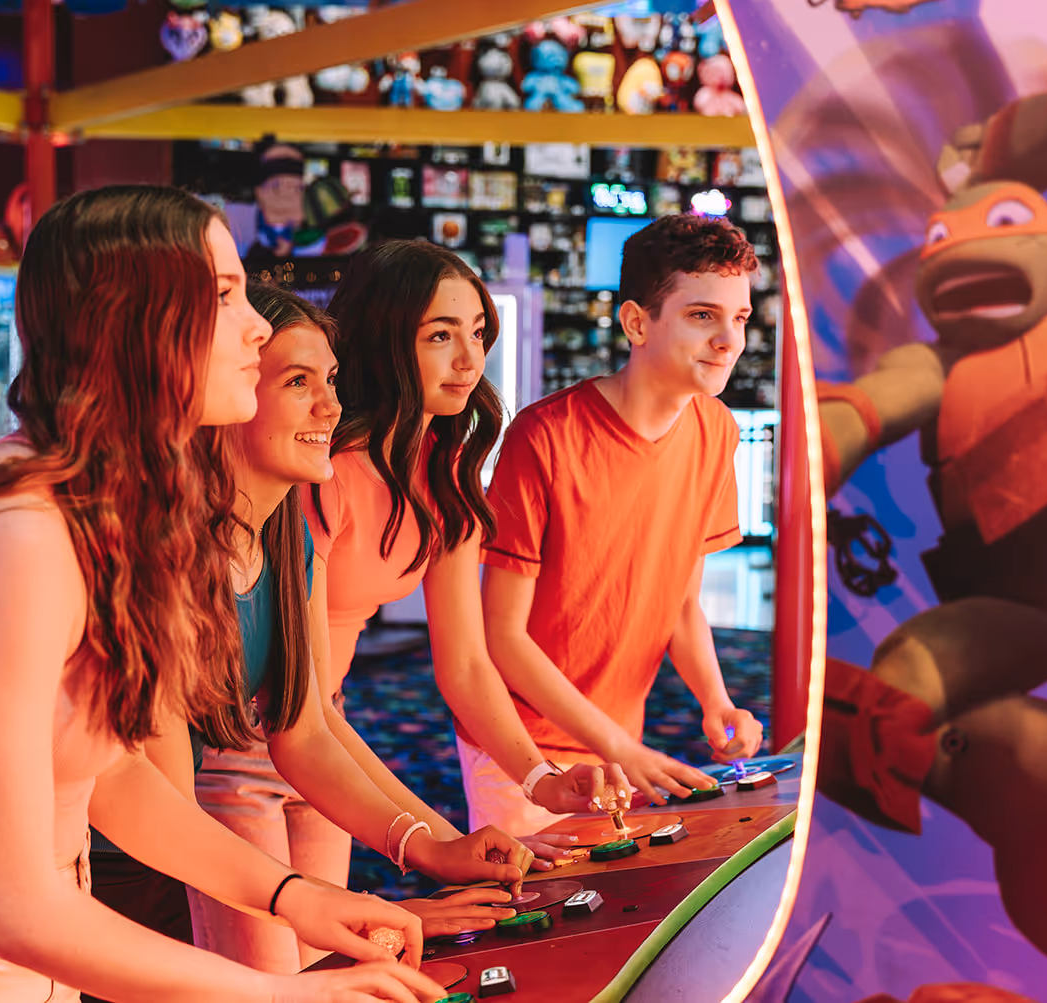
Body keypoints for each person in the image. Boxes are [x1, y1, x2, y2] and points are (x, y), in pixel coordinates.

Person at [0, 186, 444, 1003]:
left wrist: (293, 896)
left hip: (30, 943)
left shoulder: (117, 503)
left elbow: (108, 776)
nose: (257, 325)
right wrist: (281, 993)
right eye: (225, 295)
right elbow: (3, 905)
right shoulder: (15, 528)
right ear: (137, 321)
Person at [181, 283, 527, 974]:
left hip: (303, 739)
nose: (330, 406)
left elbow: (306, 723)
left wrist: (432, 848)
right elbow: (148, 796)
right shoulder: (181, 546)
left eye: (331, 379)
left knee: (321, 972)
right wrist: (410, 865)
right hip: (176, 793)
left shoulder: (286, 530)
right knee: (284, 979)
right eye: (297, 381)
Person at [302, 240, 613, 870]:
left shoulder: (444, 471)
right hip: (250, 738)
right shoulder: (321, 470)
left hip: (326, 728)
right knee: (290, 937)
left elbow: (466, 662)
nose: (470, 360)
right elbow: (297, 709)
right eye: (440, 336)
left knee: (325, 934)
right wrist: (442, 840)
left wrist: (539, 780)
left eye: (477, 333)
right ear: (385, 340)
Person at [477, 214, 765, 839]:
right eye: (702, 315)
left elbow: (682, 604)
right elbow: (501, 636)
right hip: (520, 743)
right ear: (637, 323)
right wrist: (618, 746)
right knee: (536, 895)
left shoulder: (717, 430)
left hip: (617, 739)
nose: (729, 340)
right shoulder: (545, 436)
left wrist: (716, 701)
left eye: (740, 318)